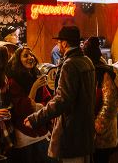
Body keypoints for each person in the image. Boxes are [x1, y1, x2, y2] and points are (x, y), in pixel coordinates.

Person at [24, 25, 96, 162]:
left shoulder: (70, 64)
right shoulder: (87, 62)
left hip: (71, 132)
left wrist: (36, 118)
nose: (57, 46)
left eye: (58, 42)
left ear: (64, 43)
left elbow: (62, 100)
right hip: (85, 131)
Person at [83, 37, 118, 163]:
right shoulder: (98, 70)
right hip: (91, 133)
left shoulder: (105, 72)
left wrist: (96, 127)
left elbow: (110, 105)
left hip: (101, 134)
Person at [6, 46, 53, 163]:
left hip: (40, 128)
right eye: (25, 56)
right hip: (24, 132)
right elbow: (23, 109)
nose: (30, 57)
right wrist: (34, 88)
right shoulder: (13, 81)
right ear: (18, 60)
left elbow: (48, 100)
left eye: (31, 55)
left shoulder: (36, 75)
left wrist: (39, 106)